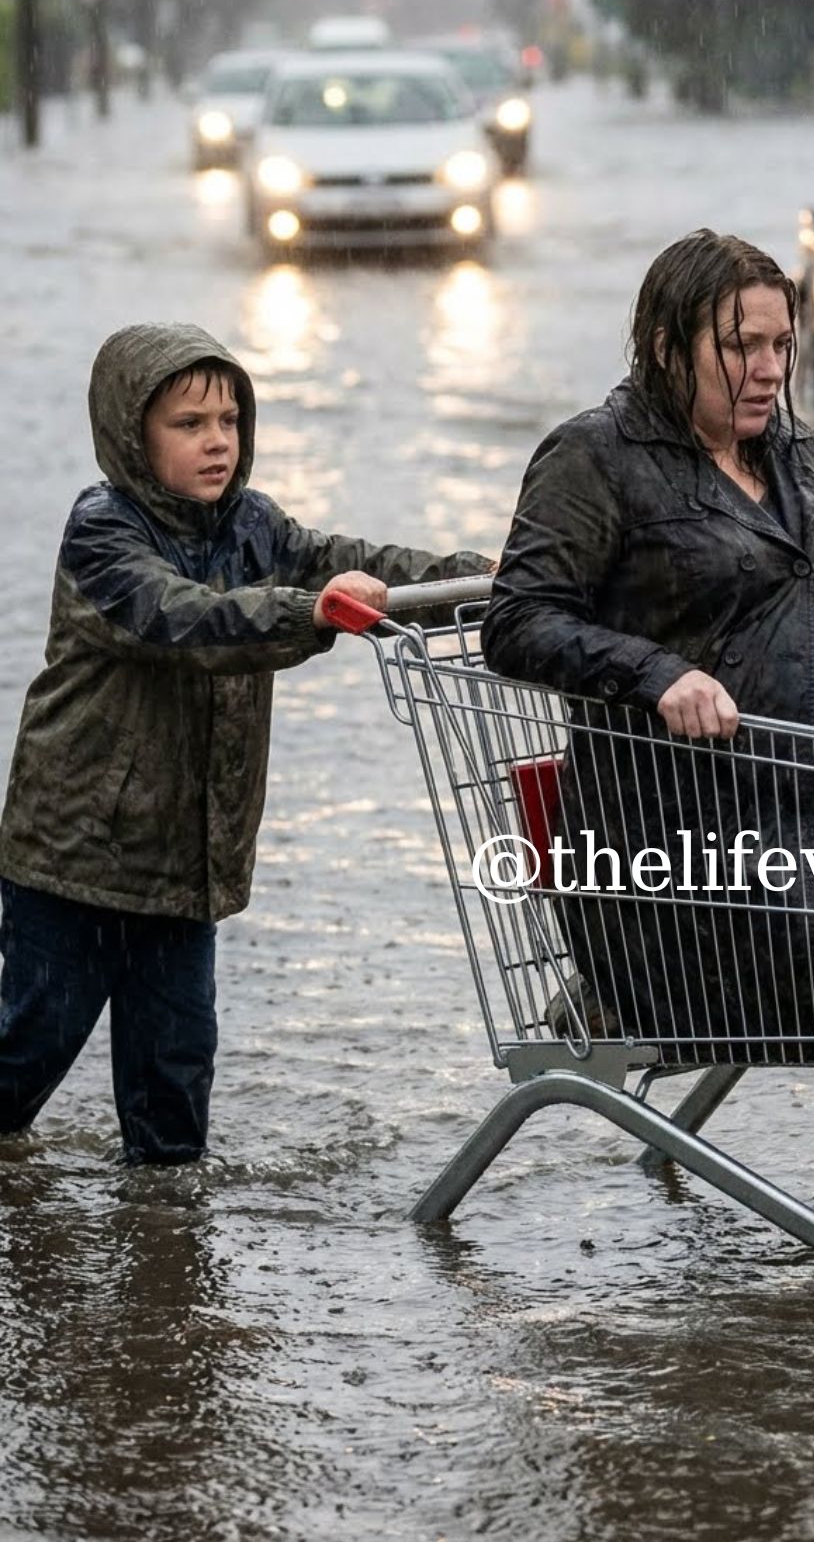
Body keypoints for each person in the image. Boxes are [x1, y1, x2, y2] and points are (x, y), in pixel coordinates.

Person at [483, 231, 814, 1063]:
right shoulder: (596, 456)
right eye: (741, 346)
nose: (770, 369)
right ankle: (618, 989)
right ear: (668, 349)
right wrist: (659, 673)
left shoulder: (790, 448)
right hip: (703, 837)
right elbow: (518, 621)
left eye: (781, 345)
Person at [0, 322, 492, 1164]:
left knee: (174, 1091)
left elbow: (351, 560)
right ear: (131, 433)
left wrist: (491, 579)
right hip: (74, 860)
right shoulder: (101, 535)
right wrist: (312, 611)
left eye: (229, 421)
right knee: (21, 1062)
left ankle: (163, 1252)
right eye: (189, 425)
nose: (217, 441)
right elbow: (186, 619)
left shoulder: (254, 526)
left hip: (189, 866)